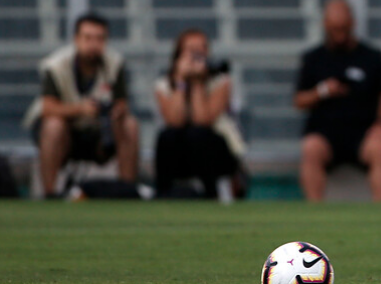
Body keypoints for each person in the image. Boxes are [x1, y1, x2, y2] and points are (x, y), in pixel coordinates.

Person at [25, 13, 139, 198]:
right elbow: (47, 107)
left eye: (100, 38)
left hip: (99, 131)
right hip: (64, 134)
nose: (94, 44)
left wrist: (115, 111)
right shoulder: (56, 65)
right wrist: (81, 109)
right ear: (76, 39)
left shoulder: (115, 63)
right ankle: (50, 193)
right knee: (54, 125)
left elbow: (122, 102)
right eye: (88, 38)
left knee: (130, 124)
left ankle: (126, 190)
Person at [294, 0, 381, 202]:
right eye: (334, 29)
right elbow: (299, 100)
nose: (339, 34)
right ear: (325, 26)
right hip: (325, 132)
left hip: (363, 132)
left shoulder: (371, 57)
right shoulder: (313, 58)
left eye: (343, 28)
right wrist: (323, 91)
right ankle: (315, 211)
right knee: (310, 148)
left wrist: (380, 124)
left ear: (352, 24)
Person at [154, 29, 245, 199]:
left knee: (197, 134)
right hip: (180, 151)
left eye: (202, 48)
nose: (198, 54)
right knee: (167, 136)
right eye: (192, 49)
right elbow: (174, 120)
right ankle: (163, 194)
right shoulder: (164, 84)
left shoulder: (221, 81)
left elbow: (202, 120)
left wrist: (197, 83)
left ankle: (212, 194)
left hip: (217, 150)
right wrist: (181, 81)